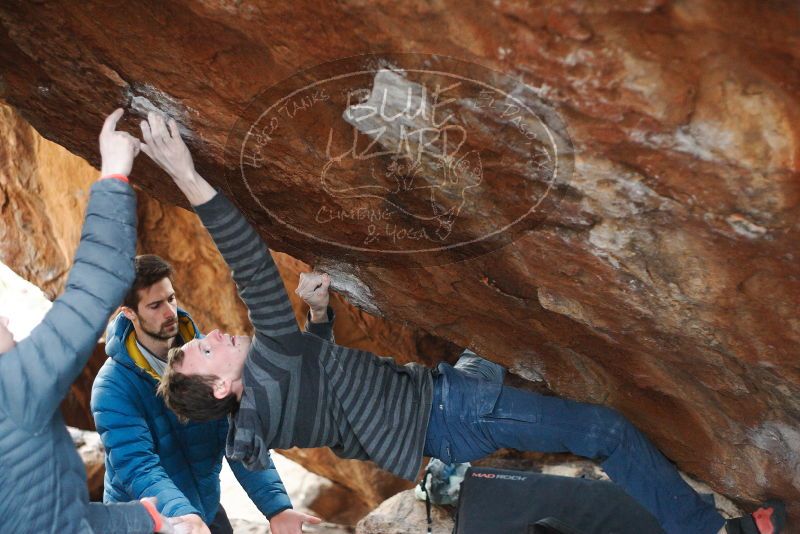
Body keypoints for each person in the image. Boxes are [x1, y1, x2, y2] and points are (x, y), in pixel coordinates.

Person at [140, 112, 786, 534]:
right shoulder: (270, 369)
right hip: (452, 410)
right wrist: (184, 173)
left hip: (445, 407)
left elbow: (324, 381)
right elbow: (249, 263)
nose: (213, 334)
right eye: (205, 352)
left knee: (512, 334)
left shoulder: (273, 401)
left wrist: (318, 316)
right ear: (226, 388)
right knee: (606, 433)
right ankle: (711, 530)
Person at [0, 109, 183, 533]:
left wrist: (150, 519)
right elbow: (97, 283)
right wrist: (115, 173)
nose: (5, 316)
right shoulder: (11, 389)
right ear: (131, 314)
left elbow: (60, 520)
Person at [91, 254, 327, 534]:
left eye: (171, 298)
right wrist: (183, 514)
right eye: (155, 305)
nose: (169, 313)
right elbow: (138, 467)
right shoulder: (111, 389)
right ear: (128, 312)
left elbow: (240, 439)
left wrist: (276, 507)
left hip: (203, 509)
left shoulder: (210, 358)